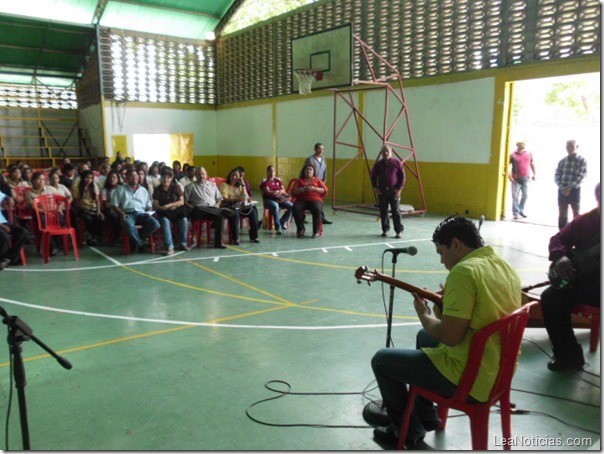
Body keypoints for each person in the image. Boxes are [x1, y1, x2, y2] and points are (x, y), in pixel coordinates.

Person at [368, 215, 521, 447]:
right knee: (424, 337)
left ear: (456, 245)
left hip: (472, 379)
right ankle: (428, 416)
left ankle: (406, 430)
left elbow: (450, 337)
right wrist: (445, 306)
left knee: (381, 360)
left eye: (441, 252)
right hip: (497, 370)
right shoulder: (501, 265)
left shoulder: (463, 272)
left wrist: (424, 314)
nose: (442, 261)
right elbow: (475, 316)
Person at [540, 182, 600, 371]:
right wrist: (561, 256)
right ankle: (569, 356)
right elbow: (558, 239)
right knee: (550, 297)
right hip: (584, 281)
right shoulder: (587, 220)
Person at [184, 166, 234, 249]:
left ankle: (218, 243)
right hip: (198, 211)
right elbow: (184, 201)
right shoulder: (190, 186)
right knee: (198, 208)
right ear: (195, 176)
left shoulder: (212, 185)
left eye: (203, 174)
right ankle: (221, 210)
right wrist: (192, 207)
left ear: (206, 174)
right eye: (199, 174)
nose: (201, 176)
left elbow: (219, 199)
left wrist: (217, 206)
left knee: (220, 217)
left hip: (213, 209)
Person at [111, 168, 160, 253]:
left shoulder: (143, 190)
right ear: (126, 178)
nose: (134, 178)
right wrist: (121, 213)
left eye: (136, 176)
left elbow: (149, 205)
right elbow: (113, 205)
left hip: (142, 213)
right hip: (128, 214)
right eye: (131, 176)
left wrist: (149, 212)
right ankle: (141, 244)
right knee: (128, 225)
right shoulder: (120, 189)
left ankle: (135, 240)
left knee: (156, 224)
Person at [370, 145, 406, 238]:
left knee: (396, 211)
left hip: (394, 191)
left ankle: (399, 231)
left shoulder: (397, 163)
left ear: (391, 152)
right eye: (383, 152)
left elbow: (402, 177)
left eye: (387, 151)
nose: (385, 153)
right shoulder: (378, 164)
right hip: (382, 192)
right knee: (383, 211)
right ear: (381, 153)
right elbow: (373, 177)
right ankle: (385, 230)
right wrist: (376, 188)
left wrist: (399, 190)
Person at [153, 168, 191, 255]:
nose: (166, 179)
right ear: (161, 178)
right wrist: (163, 208)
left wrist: (170, 205)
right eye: (164, 177)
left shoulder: (176, 187)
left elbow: (181, 201)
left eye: (168, 177)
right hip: (164, 212)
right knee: (165, 221)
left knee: (184, 220)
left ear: (171, 178)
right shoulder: (157, 190)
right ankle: (169, 246)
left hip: (176, 211)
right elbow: (156, 204)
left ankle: (183, 243)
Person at [220, 168, 260, 244]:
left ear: (239, 178)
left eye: (236, 176)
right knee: (235, 214)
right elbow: (224, 198)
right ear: (229, 176)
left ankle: (254, 237)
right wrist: (237, 199)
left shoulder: (240, 186)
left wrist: (243, 184)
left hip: (240, 206)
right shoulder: (224, 185)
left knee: (253, 212)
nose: (234, 177)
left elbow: (246, 197)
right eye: (232, 175)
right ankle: (235, 238)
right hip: (229, 206)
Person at [555, 139, 587, 230]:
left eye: (572, 146)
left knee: (576, 213)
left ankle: (576, 234)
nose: (569, 148)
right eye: (568, 147)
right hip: (562, 190)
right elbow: (557, 175)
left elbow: (582, 176)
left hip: (574, 190)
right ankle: (562, 234)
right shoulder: (562, 161)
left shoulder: (582, 161)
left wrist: (569, 187)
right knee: (562, 215)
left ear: (576, 147)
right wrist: (562, 187)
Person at [290, 163, 328, 238]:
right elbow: (293, 191)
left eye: (310, 169)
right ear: (304, 171)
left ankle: (316, 231)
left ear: (313, 171)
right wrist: (302, 189)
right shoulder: (300, 180)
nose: (308, 171)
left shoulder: (317, 180)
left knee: (317, 208)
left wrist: (314, 189)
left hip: (315, 199)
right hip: (302, 199)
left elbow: (324, 190)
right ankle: (301, 229)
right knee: (295, 208)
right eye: (307, 169)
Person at [74, 170, 105, 246]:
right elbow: (77, 202)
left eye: (91, 178)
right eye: (87, 178)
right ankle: (92, 237)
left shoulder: (94, 186)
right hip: (83, 209)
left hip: (94, 209)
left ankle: (95, 236)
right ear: (83, 178)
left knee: (100, 218)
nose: (89, 180)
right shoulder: (78, 187)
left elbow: (97, 200)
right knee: (89, 219)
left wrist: (98, 211)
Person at [259, 165, 293, 234]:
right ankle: (278, 228)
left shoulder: (278, 180)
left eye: (273, 170)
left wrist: (278, 192)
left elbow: (283, 190)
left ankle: (282, 221)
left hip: (279, 199)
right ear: (267, 172)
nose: (272, 172)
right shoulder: (265, 181)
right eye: (270, 171)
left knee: (291, 206)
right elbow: (268, 192)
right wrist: (276, 192)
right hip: (269, 200)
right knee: (275, 206)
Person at [305, 143, 332, 224]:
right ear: (315, 149)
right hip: (312, 183)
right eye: (319, 149)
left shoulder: (323, 159)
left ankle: (322, 218)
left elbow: (325, 172)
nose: (321, 151)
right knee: (307, 199)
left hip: (320, 184)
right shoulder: (310, 159)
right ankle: (302, 217)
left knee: (320, 201)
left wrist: (323, 183)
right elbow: (306, 171)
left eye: (322, 149)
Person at [508, 141, 536, 219]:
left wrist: (534, 174)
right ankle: (515, 213)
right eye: (521, 144)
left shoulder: (528, 153)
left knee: (525, 195)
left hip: (526, 178)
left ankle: (520, 209)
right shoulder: (513, 154)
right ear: (517, 145)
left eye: (524, 144)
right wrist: (510, 176)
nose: (523, 145)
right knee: (515, 197)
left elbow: (532, 163)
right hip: (516, 179)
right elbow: (508, 165)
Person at [0, 191, 28, 268]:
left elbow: (5, 196)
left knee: (23, 232)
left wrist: (9, 198)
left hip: (4, 222)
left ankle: (8, 258)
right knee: (4, 236)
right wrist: (2, 226)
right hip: (1, 225)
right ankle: (2, 259)